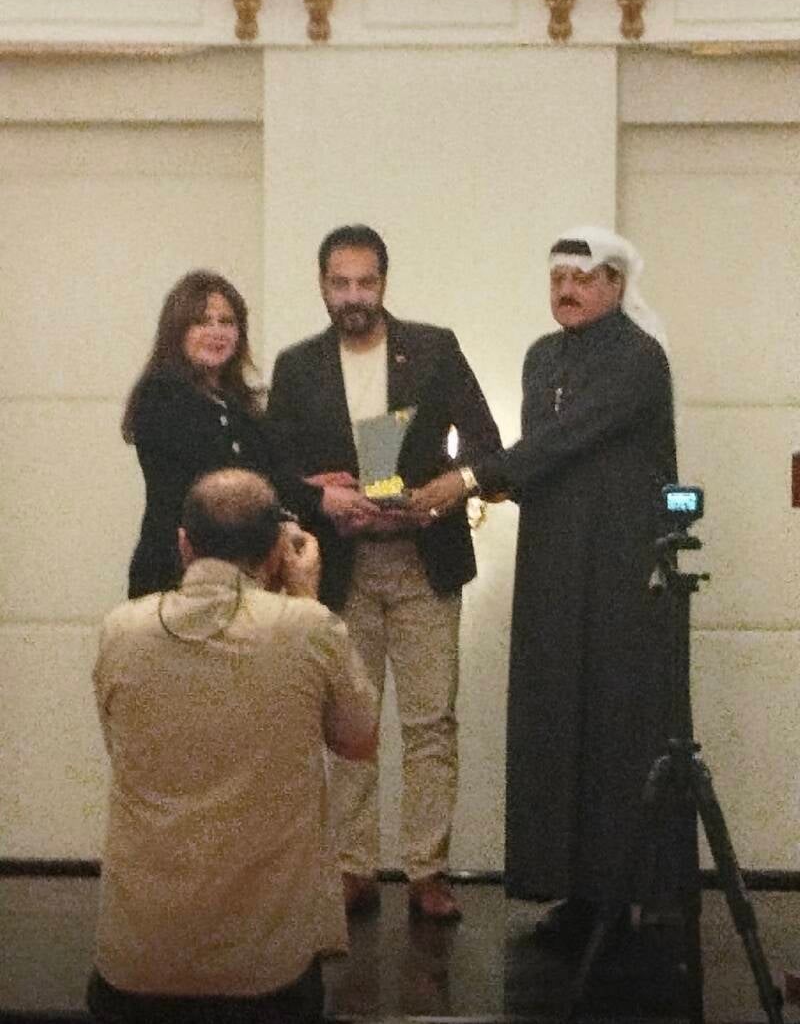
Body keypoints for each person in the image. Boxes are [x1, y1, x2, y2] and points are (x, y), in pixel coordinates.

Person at [411, 226, 679, 948]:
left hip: (620, 562)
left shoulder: (638, 357)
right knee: (555, 713)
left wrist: (473, 477)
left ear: (616, 285)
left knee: (615, 721)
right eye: (558, 277)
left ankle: (623, 893)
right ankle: (573, 889)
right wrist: (490, 480)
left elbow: (567, 439)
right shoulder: (541, 356)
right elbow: (542, 459)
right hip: (554, 558)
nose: (567, 289)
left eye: (583, 278)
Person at [267, 224, 501, 920]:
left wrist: (451, 486)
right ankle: (353, 867)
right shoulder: (297, 365)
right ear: (322, 286)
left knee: (432, 721)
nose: (353, 296)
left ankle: (428, 870)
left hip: (425, 560)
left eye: (365, 282)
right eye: (340, 283)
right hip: (339, 565)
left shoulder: (434, 348)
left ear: (384, 283)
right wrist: (321, 496)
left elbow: (487, 445)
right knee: (350, 725)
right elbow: (275, 469)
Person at [87, 468, 378, 1024]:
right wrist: (305, 598)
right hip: (266, 973)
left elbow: (120, 746)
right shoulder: (306, 628)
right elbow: (359, 742)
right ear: (276, 550)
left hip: (135, 964)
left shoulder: (120, 630)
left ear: (183, 544)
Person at [123, 269, 323, 598]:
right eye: (202, 321)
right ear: (177, 331)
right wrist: (317, 500)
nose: (217, 332)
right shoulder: (160, 396)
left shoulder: (241, 404)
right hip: (177, 573)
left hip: (246, 575)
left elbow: (269, 472)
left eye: (227, 322)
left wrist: (313, 491)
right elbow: (222, 480)